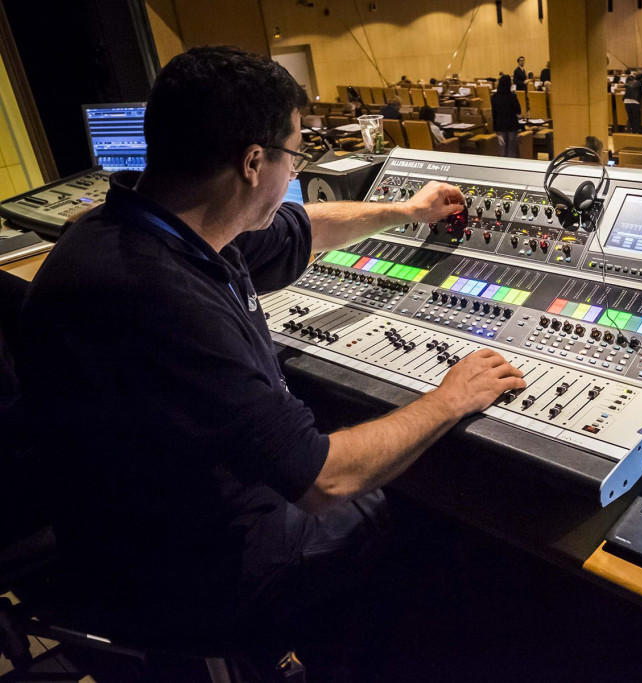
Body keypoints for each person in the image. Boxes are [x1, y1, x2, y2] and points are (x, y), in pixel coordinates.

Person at [18, 45, 525, 665]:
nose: (295, 173)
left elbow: (304, 227)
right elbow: (323, 480)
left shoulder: (154, 223)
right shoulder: (161, 296)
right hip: (182, 567)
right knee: (410, 513)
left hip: (130, 514)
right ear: (253, 162)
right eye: (295, 155)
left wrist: (406, 211)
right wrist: (452, 398)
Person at [491, 74, 521, 157]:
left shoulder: (494, 97)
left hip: (499, 125)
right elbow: (518, 111)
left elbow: (494, 113)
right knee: (511, 148)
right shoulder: (512, 96)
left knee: (502, 148)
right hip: (511, 125)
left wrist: (494, 127)